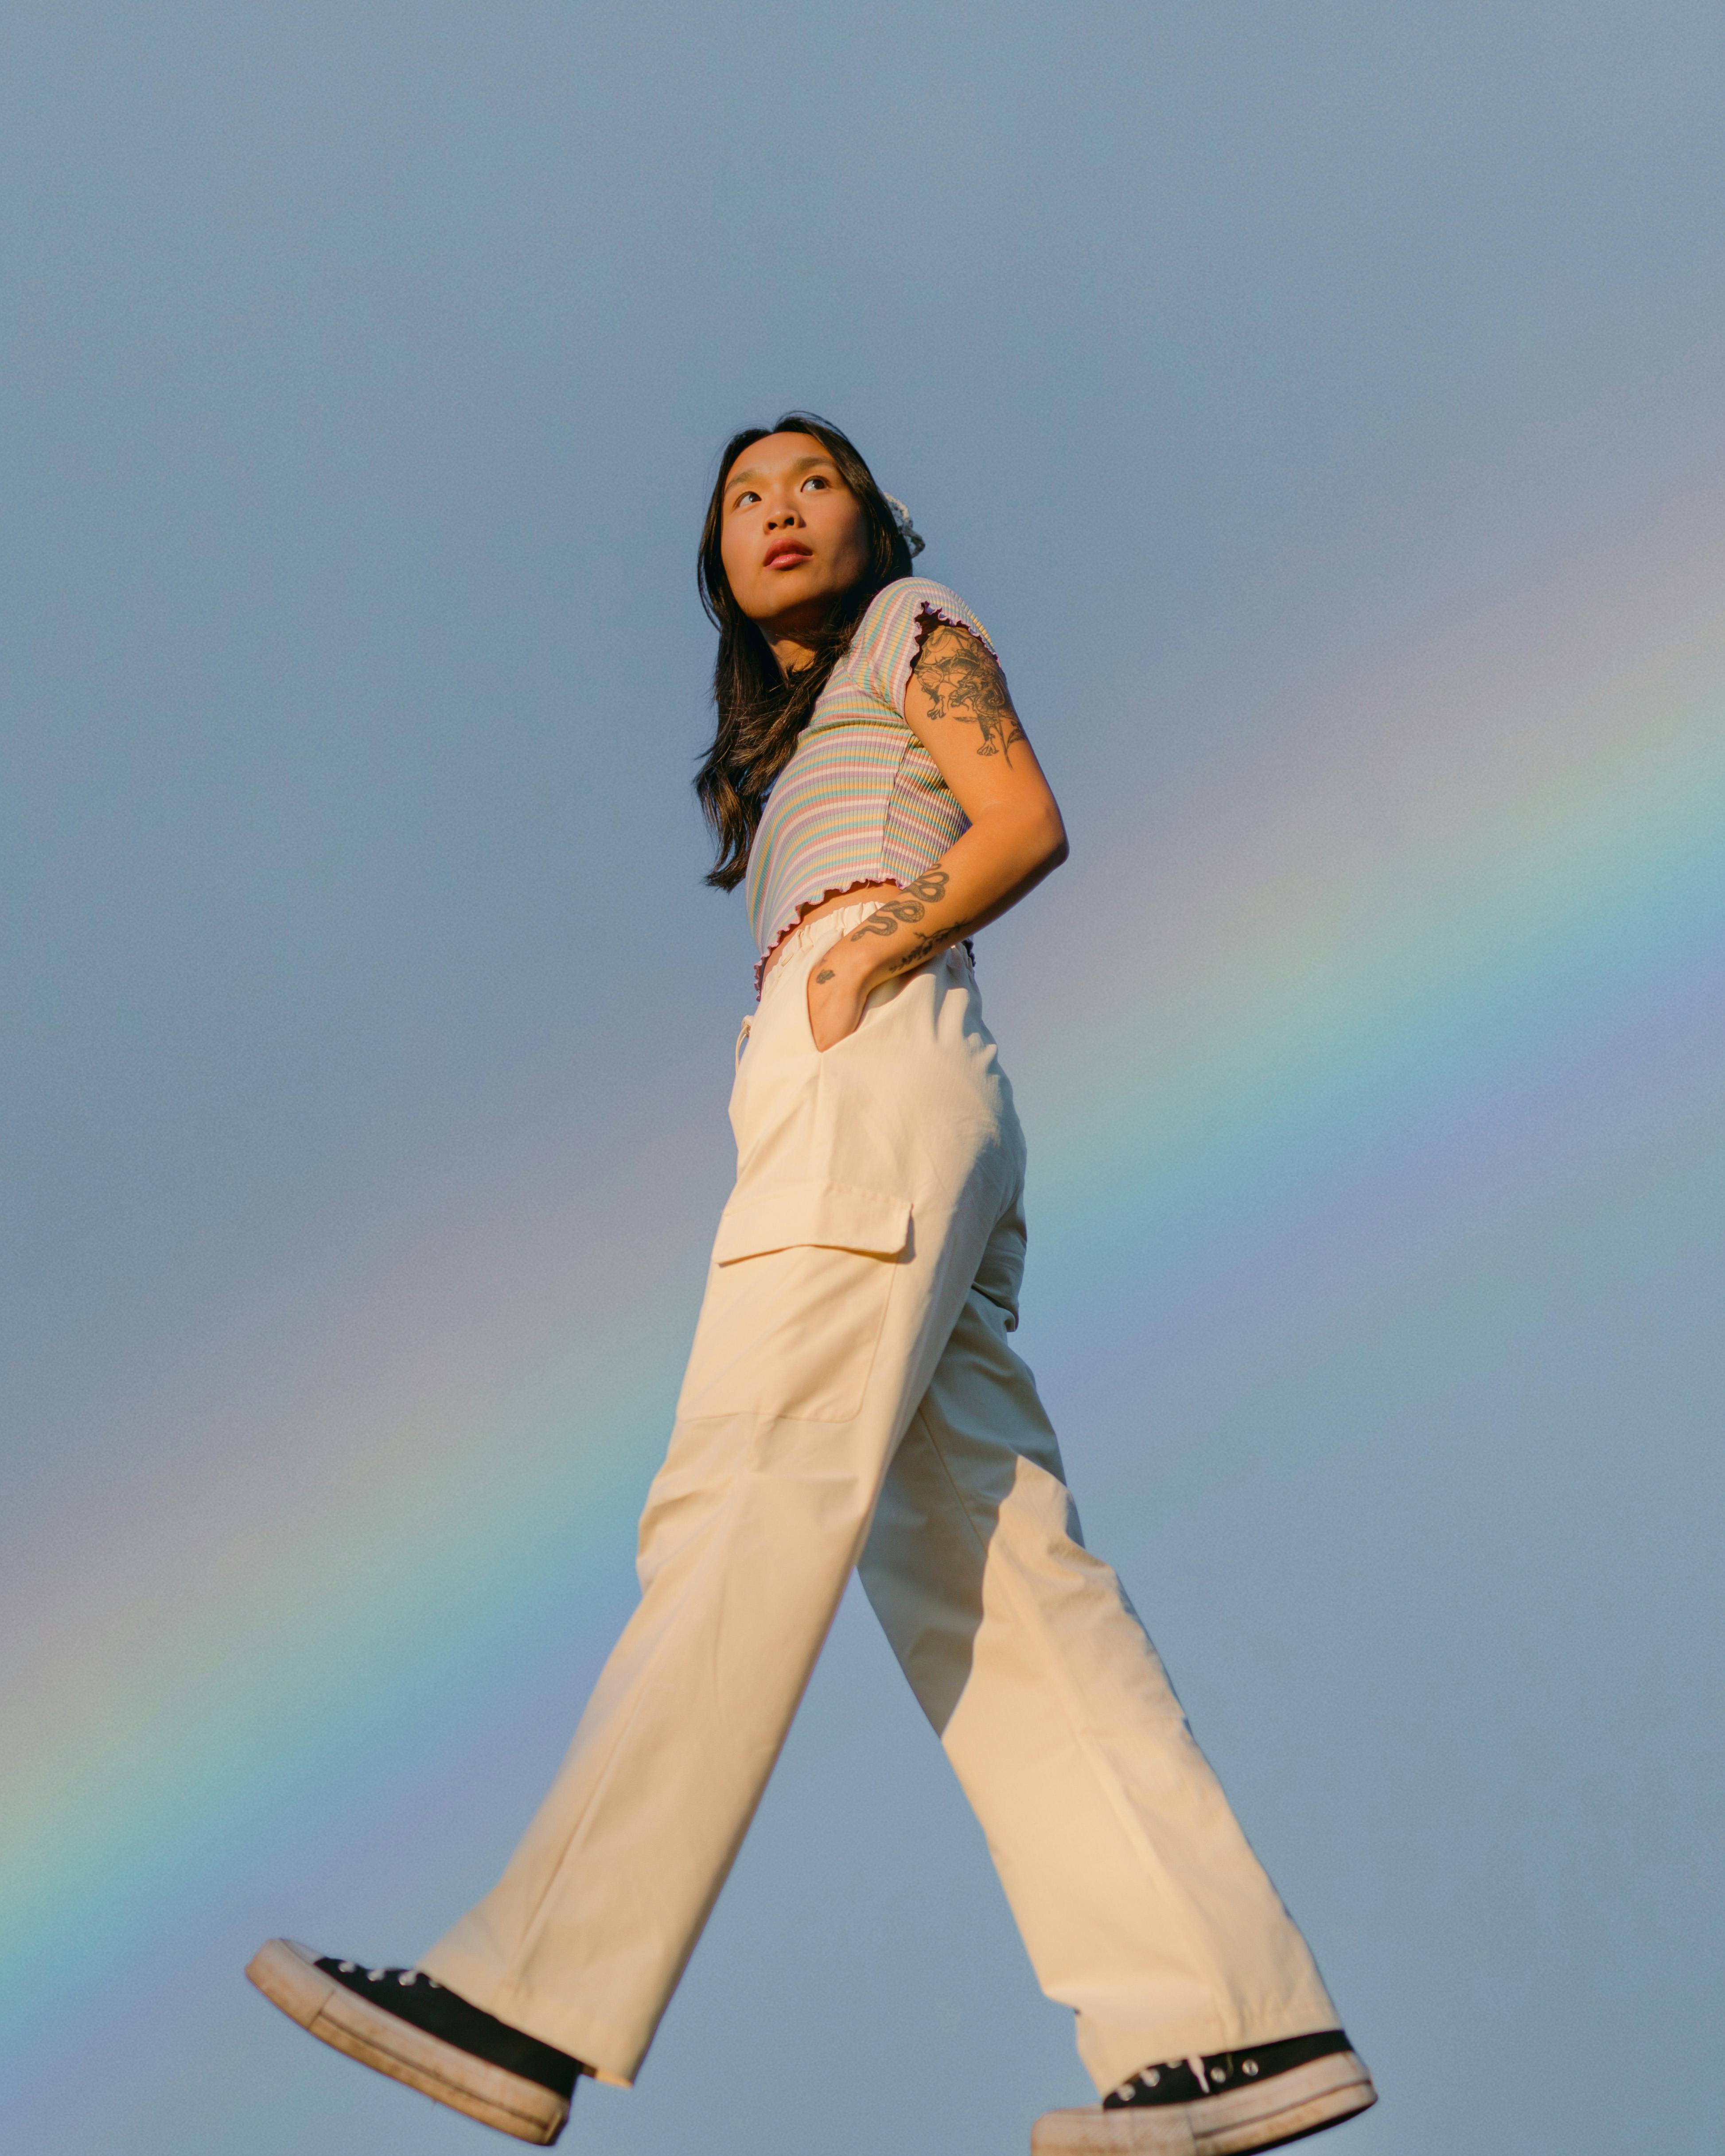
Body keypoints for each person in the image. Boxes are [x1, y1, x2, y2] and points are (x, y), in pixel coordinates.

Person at [248, 413, 1376, 2155]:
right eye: (743, 500)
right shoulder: (781, 750)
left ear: (875, 518)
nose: (778, 511)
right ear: (718, 560)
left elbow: (1021, 817)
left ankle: (529, 1994)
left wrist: (878, 946)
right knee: (995, 1581)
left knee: (738, 1496)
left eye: (813, 483)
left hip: (872, 1067)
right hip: (888, 1094)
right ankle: (1237, 2027)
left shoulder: (912, 627)